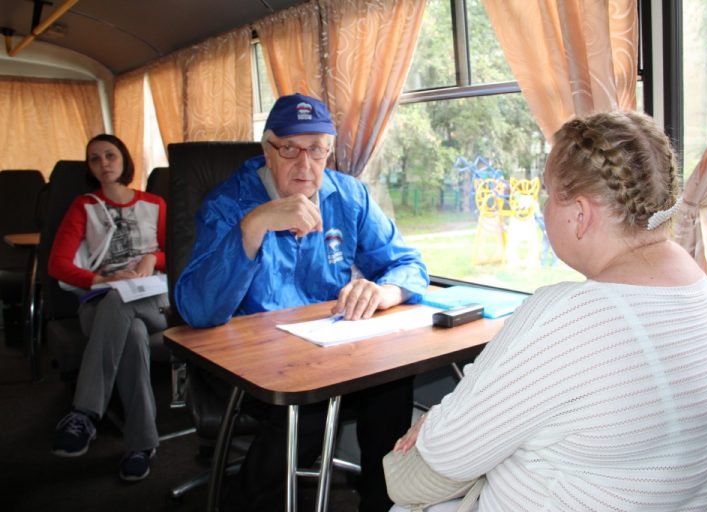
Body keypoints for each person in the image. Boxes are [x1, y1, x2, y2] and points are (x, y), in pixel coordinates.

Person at [390, 111, 707, 511]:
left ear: (580, 214)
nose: (544, 209)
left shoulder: (568, 315)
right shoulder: (701, 288)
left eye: (548, 194)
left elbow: (419, 475)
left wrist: (439, 424)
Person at [174, 93, 429, 511]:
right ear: (267, 150)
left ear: (329, 151)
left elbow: (408, 264)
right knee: (306, 405)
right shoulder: (228, 203)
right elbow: (198, 310)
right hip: (248, 365)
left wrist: (383, 291)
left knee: (391, 386)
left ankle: (380, 504)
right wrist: (252, 227)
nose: (305, 165)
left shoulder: (348, 196)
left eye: (316, 150)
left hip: (326, 354)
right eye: (289, 149)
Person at [49, 134, 168, 482]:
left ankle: (85, 412)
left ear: (124, 159)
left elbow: (178, 253)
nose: (103, 163)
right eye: (95, 159)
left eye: (110, 155)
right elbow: (57, 265)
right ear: (89, 167)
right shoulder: (83, 206)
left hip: (152, 298)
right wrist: (102, 279)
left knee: (123, 302)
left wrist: (153, 258)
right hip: (102, 302)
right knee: (131, 331)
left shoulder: (155, 203)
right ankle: (142, 445)